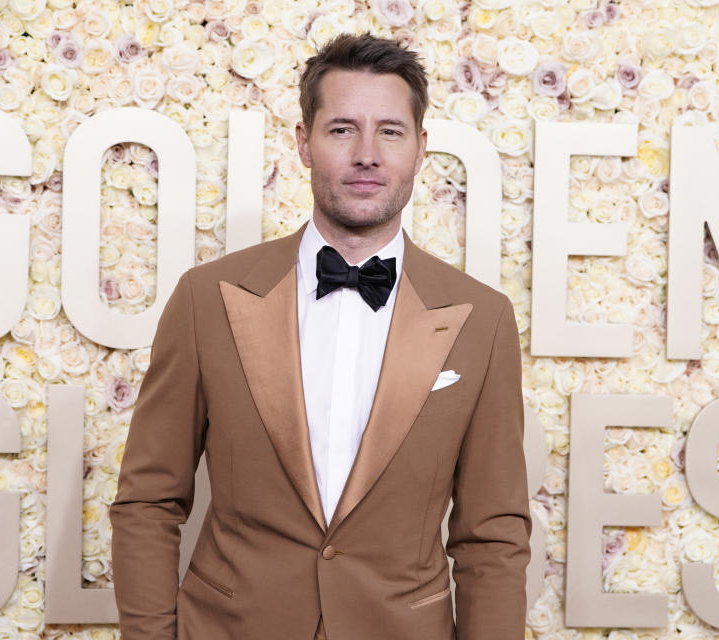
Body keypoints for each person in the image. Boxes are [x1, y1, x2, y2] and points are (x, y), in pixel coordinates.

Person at [110, 32, 531, 640]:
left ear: (420, 149)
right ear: (303, 144)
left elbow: (492, 537)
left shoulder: (482, 318)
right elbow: (148, 501)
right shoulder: (207, 299)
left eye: (390, 131)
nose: (367, 154)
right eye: (341, 129)